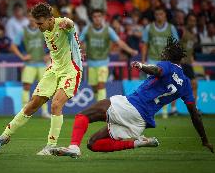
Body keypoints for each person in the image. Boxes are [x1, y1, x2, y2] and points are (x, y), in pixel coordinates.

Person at [51, 36, 214, 158]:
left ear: (168, 55)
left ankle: (73, 146)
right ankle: (138, 142)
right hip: (141, 122)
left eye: (165, 52)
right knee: (93, 144)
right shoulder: (185, 83)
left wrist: (142, 66)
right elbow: (195, 114)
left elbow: (157, 71)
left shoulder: (167, 66)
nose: (162, 54)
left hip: (131, 106)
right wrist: (204, 139)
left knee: (83, 115)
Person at [0, 3, 82, 155]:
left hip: (71, 70)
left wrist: (68, 22)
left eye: (40, 23)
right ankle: (4, 137)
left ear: (50, 20)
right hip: (54, 69)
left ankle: (50, 146)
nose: (37, 26)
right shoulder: (45, 27)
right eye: (36, 23)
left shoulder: (62, 24)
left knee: (56, 104)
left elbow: (70, 24)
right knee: (33, 104)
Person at [79, 9, 138, 101]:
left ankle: (101, 107)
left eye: (99, 16)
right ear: (92, 18)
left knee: (101, 84)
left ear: (102, 18)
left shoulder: (108, 30)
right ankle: (98, 103)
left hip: (103, 62)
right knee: (94, 87)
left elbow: (119, 42)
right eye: (95, 17)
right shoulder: (87, 29)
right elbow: (79, 41)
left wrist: (130, 50)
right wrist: (78, 50)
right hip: (91, 62)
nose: (97, 19)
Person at [9, 14, 51, 119]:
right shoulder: (23, 31)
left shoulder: (43, 30)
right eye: (31, 17)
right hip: (29, 64)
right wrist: (22, 57)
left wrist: (49, 55)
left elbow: (54, 43)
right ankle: (24, 111)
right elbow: (13, 46)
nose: (33, 19)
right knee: (26, 86)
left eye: (35, 17)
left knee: (44, 88)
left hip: (42, 64)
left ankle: (45, 112)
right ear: (28, 18)